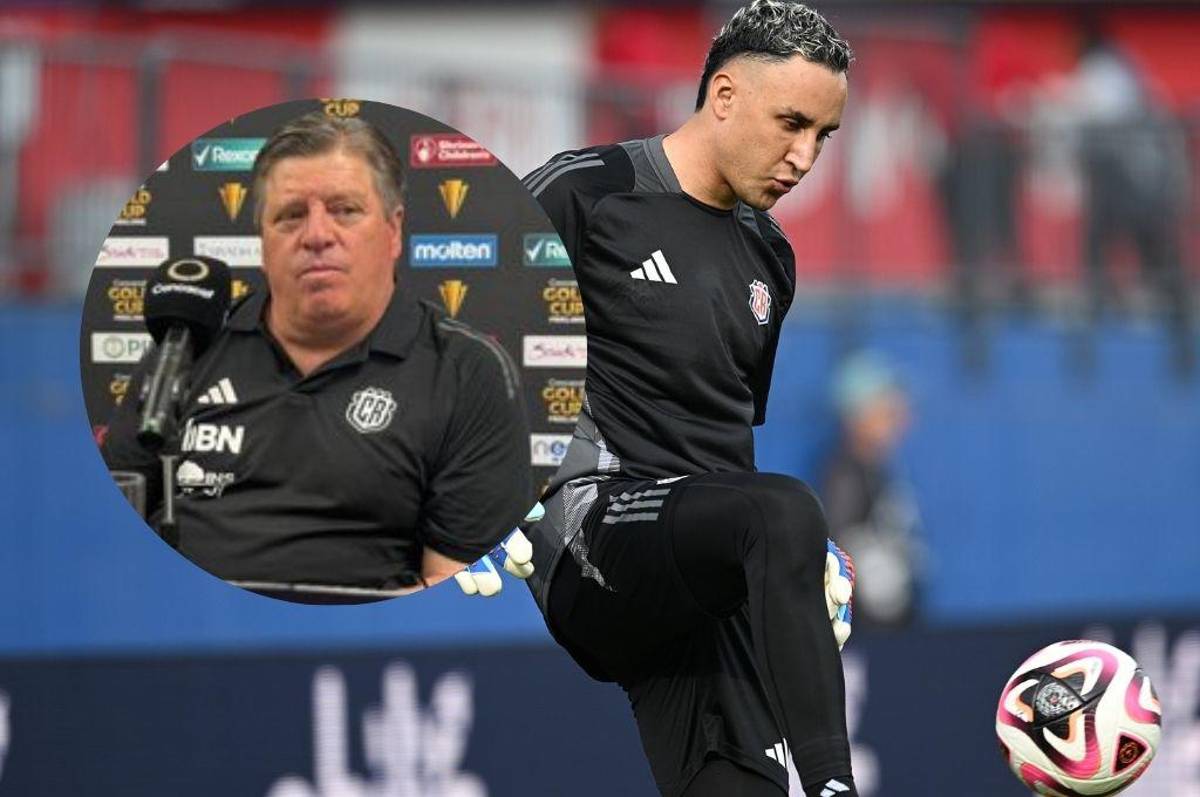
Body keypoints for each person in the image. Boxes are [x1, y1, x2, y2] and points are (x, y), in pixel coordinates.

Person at [517, 3, 859, 795]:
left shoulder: (770, 257)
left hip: (698, 576)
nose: (805, 156)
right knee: (784, 510)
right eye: (792, 123)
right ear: (725, 95)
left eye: (824, 136)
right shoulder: (586, 193)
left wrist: (793, 560)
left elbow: (722, 446)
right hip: (595, 534)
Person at [102, 111, 531, 599]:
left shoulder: (464, 372)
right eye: (290, 216)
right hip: (184, 623)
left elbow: (459, 593)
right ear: (262, 241)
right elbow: (110, 538)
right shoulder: (187, 347)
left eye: (344, 210)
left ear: (393, 231)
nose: (316, 235)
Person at [822, 350, 922, 627]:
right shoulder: (845, 478)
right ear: (857, 417)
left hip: (893, 627)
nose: (898, 419)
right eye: (885, 410)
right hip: (866, 634)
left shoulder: (878, 470)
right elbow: (838, 559)